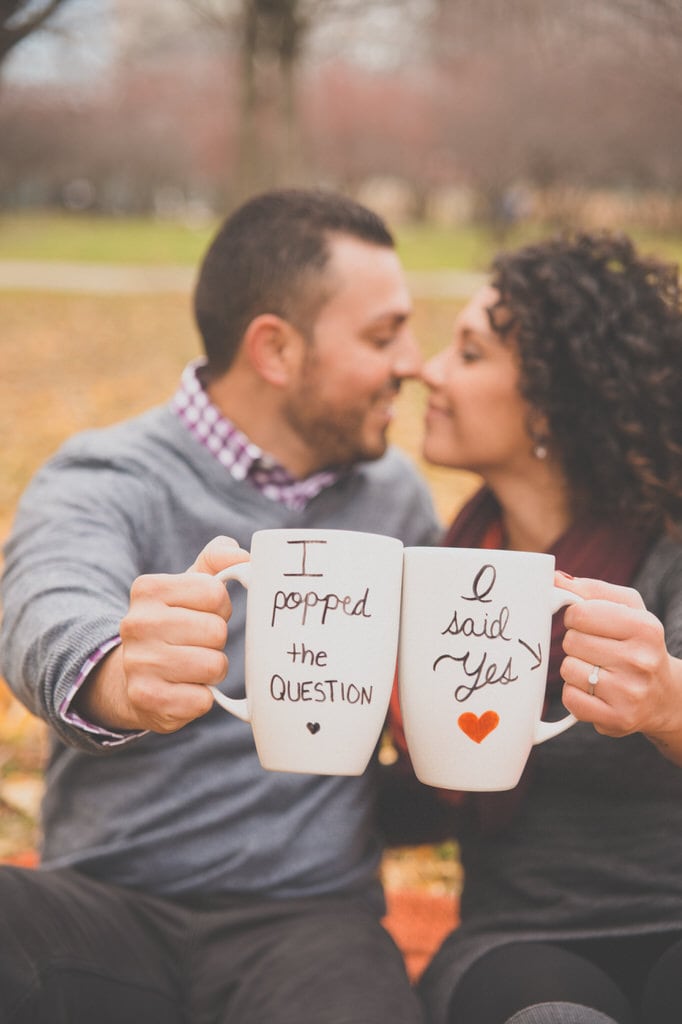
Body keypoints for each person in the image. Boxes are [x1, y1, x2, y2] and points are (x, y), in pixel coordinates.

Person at [0, 188, 440, 1024]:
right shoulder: (107, 476)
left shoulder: (396, 501)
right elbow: (44, 606)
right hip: (103, 908)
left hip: (310, 928)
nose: (412, 362)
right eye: (384, 336)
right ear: (274, 349)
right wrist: (118, 674)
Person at [388, 232, 682, 1024]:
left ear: (553, 400)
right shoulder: (449, 563)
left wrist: (668, 707)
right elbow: (423, 808)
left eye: (471, 354)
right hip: (515, 939)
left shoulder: (669, 554)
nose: (429, 371)